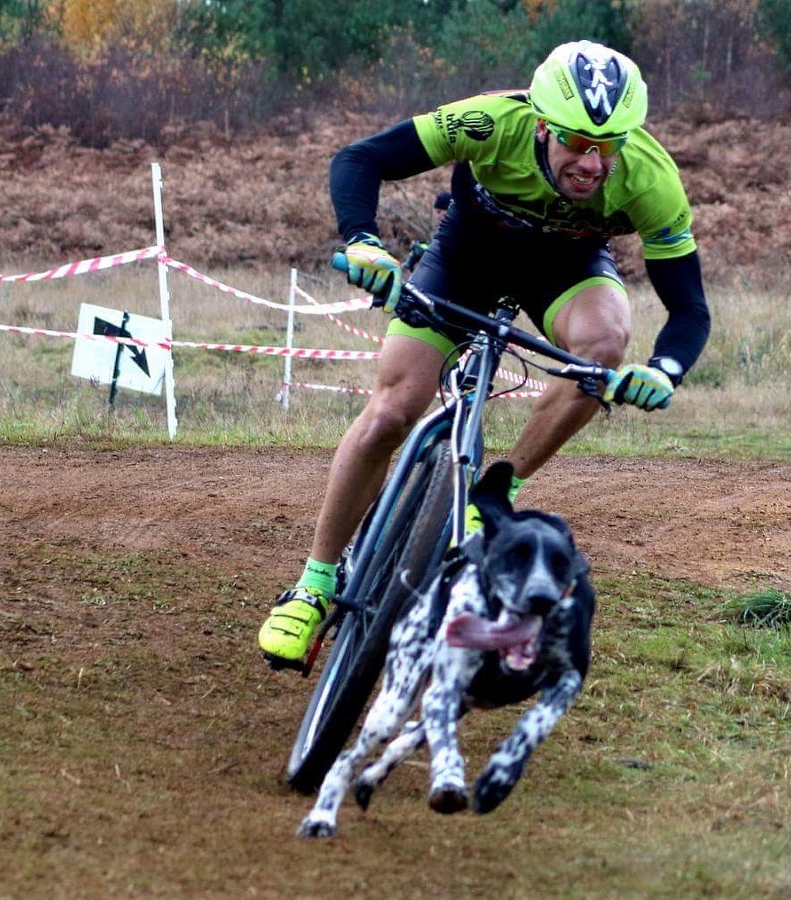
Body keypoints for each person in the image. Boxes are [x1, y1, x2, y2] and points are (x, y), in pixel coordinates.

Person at [259, 40, 711, 666]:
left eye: (609, 147)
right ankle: (313, 586)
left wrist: (664, 370)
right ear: (544, 124)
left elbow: (688, 308)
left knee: (604, 347)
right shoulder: (492, 120)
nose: (592, 162)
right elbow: (361, 159)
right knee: (394, 410)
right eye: (577, 142)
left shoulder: (650, 178)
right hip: (465, 257)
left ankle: (498, 488)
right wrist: (364, 244)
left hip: (565, 271)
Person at [404, 191, 453, 271]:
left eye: (440, 212)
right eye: (436, 212)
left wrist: (426, 252)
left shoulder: (456, 232)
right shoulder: (440, 232)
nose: (437, 216)